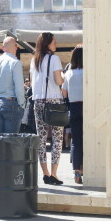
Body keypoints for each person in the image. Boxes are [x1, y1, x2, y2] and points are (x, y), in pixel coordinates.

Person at [30, 32, 65, 186]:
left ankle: (45, 173)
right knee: (57, 139)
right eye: (54, 42)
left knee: (41, 138)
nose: (56, 44)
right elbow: (58, 80)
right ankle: (54, 174)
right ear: (47, 44)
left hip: (38, 101)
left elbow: (32, 83)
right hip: (54, 101)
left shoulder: (34, 60)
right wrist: (64, 76)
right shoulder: (55, 59)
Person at [0, 36, 26, 133]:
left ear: (3, 48)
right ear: (16, 47)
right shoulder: (16, 63)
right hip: (12, 102)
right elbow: (19, 88)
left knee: (0, 140)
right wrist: (22, 104)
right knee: (11, 141)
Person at [62, 45, 84, 184]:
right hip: (87, 107)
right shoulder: (88, 72)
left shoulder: (69, 73)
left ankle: (77, 172)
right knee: (89, 140)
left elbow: (64, 93)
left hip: (74, 107)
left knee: (76, 141)